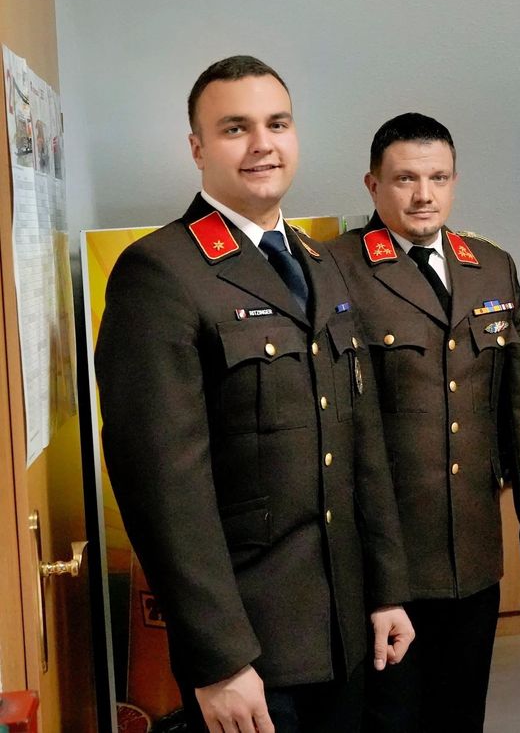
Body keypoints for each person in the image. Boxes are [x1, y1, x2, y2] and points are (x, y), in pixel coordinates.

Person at [95, 56, 414, 733]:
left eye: (278, 123)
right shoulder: (162, 273)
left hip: (346, 632)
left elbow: (362, 445)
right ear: (198, 147)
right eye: (235, 128)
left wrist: (386, 590)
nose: (262, 143)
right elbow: (162, 488)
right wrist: (217, 659)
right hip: (251, 649)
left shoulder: (319, 263)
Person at [328, 112, 520, 732]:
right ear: (373, 185)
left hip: (472, 547)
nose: (424, 194)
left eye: (438, 177)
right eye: (405, 178)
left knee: (462, 716)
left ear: (455, 181)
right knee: (391, 719)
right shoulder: (336, 268)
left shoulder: (490, 266)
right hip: (385, 554)